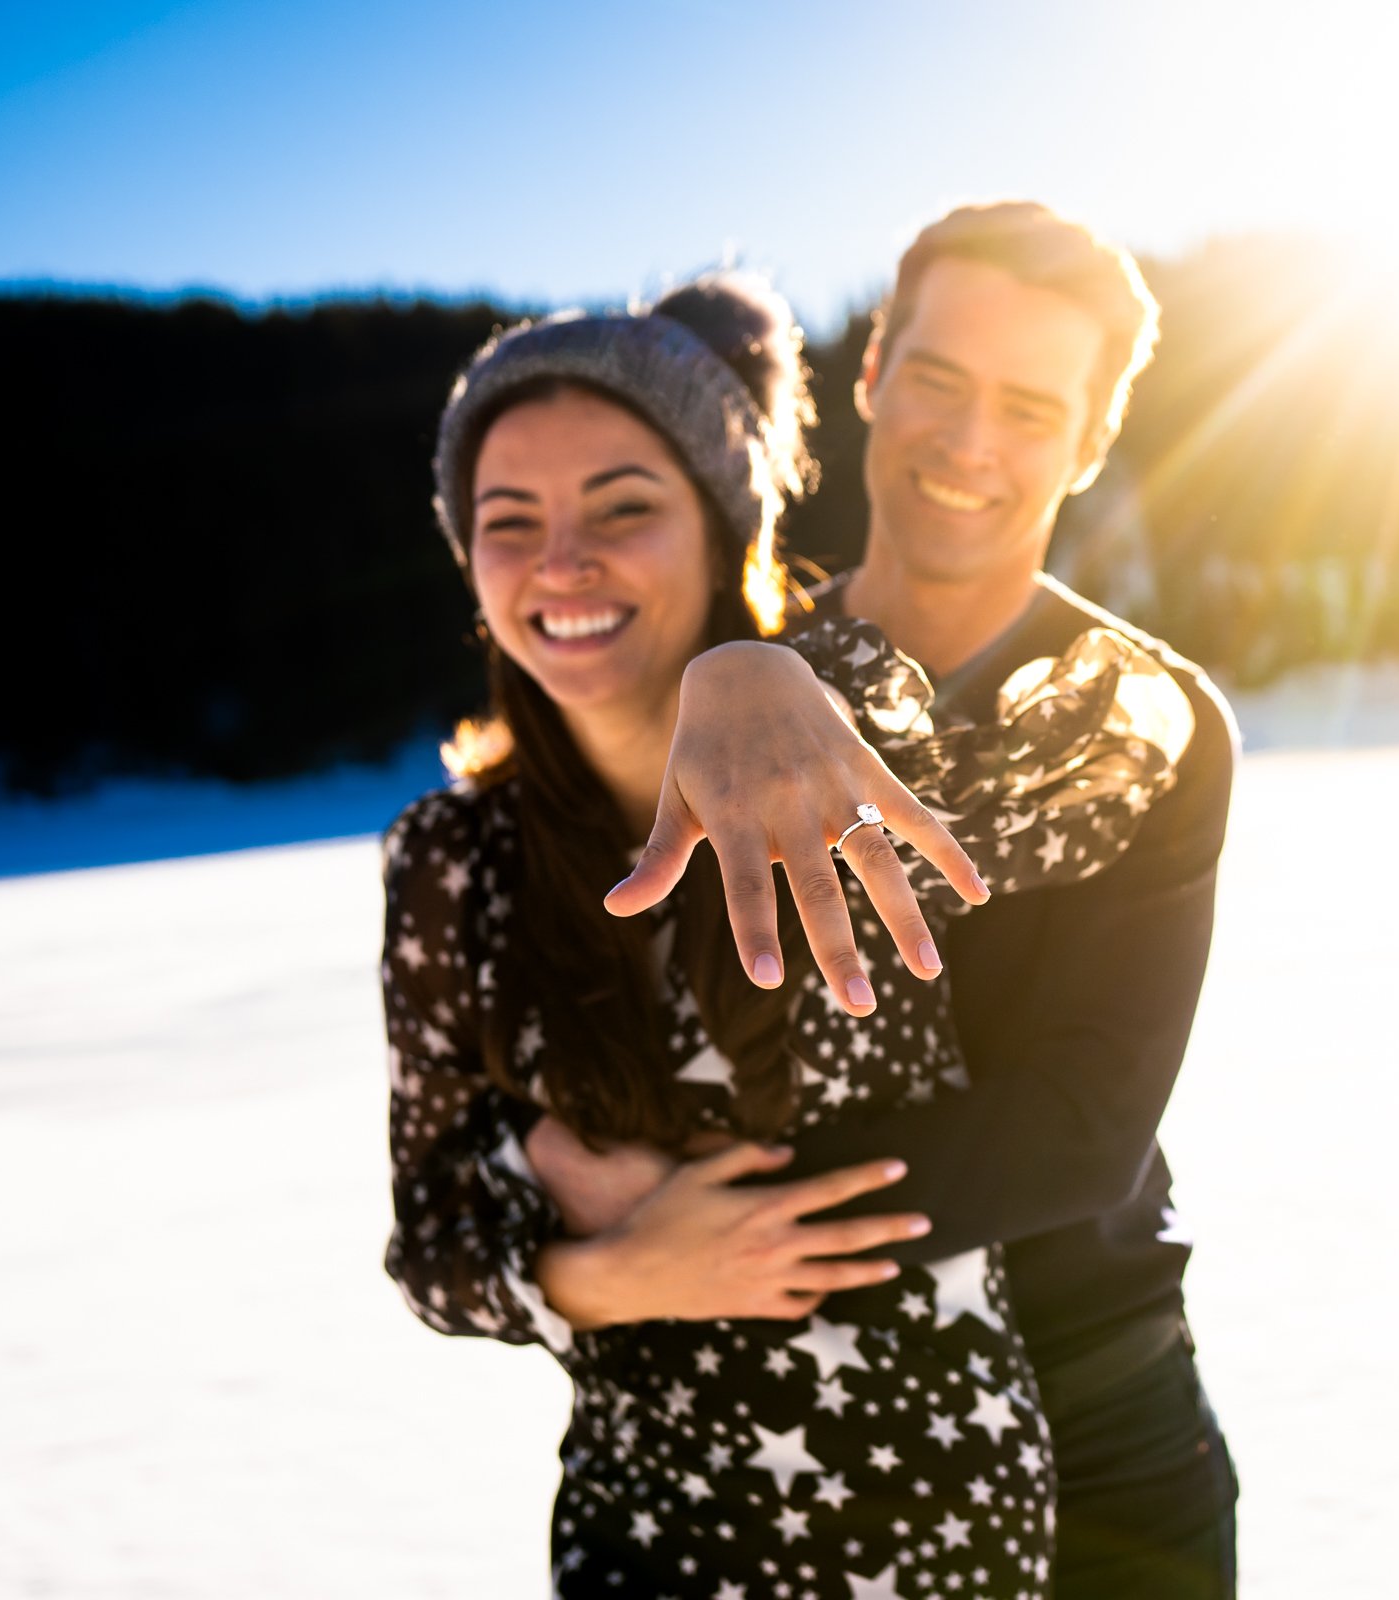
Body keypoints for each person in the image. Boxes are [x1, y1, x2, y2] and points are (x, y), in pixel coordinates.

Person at [381, 273, 1195, 1596]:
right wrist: (615, 1272)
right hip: (642, 1535)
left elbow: (1116, 745)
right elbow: (435, 1239)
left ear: (723, 525)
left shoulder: (863, 731)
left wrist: (760, 668)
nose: (560, 562)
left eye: (624, 507)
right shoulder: (450, 861)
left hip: (927, 1515)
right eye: (507, 519)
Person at [584, 202, 1242, 1598]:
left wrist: (709, 1235)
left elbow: (1082, 1133)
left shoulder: (1148, 720)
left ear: (1092, 441)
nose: (971, 442)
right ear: (872, 370)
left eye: (1030, 406)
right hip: (767, 1449)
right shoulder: (718, 686)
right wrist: (728, 661)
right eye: (937, 380)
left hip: (1096, 1445)